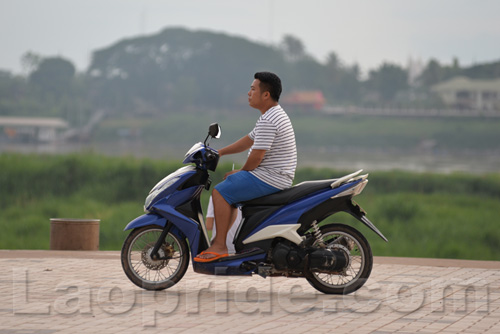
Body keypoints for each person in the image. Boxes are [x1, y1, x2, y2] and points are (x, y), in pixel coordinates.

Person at [195, 71, 297, 262]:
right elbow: (249, 140)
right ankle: (225, 243)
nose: (248, 93)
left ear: (266, 94)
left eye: (252, 89)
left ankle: (219, 246)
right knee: (230, 188)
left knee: (220, 192)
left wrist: (241, 172)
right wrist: (220, 152)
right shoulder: (271, 115)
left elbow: (257, 157)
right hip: (274, 175)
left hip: (270, 177)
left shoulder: (269, 119)